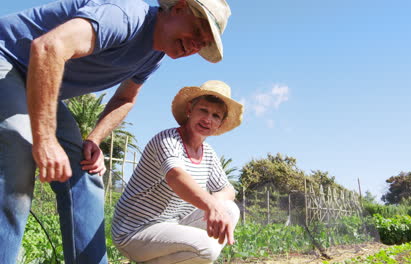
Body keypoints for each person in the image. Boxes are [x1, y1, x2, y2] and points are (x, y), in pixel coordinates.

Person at [0, 0, 231, 263]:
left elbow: (126, 98)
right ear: (178, 8)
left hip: (38, 82)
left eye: (202, 44)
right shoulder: (125, 16)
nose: (194, 45)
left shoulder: (153, 56)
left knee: (85, 172)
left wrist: (94, 139)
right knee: (17, 158)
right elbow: (48, 47)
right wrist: (46, 139)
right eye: (197, 31)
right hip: (8, 60)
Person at [111, 80, 243, 264]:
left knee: (230, 210)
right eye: (203, 110)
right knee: (207, 249)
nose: (208, 119)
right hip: (135, 230)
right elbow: (176, 176)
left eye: (216, 115)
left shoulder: (208, 154)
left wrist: (217, 205)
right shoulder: (168, 140)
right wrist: (212, 207)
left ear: (220, 123)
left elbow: (228, 190)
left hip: (171, 224)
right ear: (190, 110)